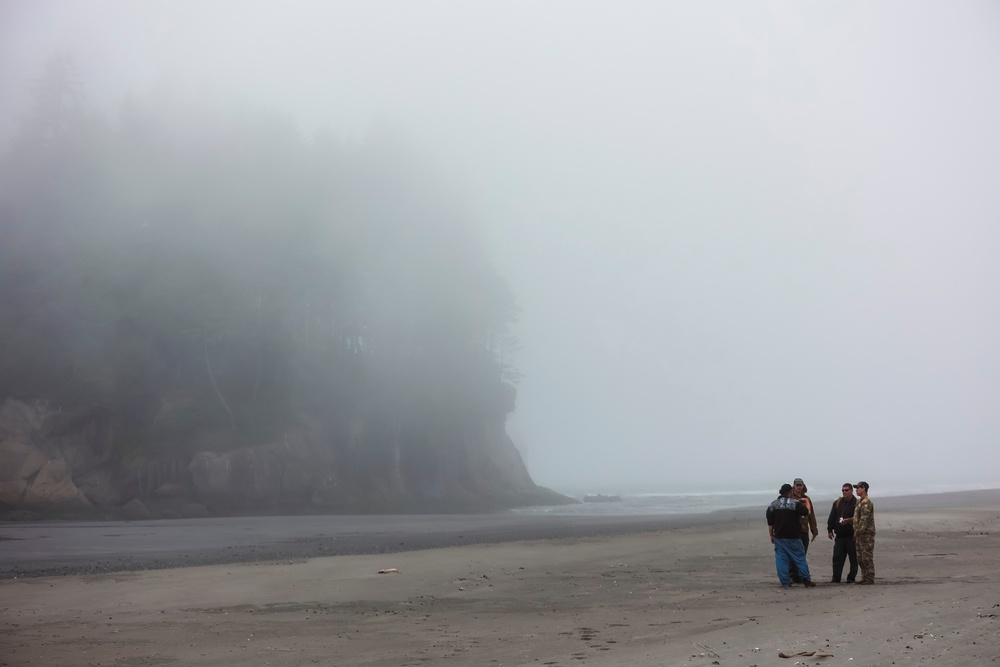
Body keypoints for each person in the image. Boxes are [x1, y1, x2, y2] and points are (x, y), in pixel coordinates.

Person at [766, 483, 816, 589]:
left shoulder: (772, 505)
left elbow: (770, 524)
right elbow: (807, 512)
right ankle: (806, 579)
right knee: (800, 558)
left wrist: (771, 535)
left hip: (779, 536)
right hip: (794, 536)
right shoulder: (795, 504)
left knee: (781, 560)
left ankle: (785, 582)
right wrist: (807, 501)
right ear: (790, 492)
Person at [826, 483, 858, 583]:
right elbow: (832, 516)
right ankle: (836, 577)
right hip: (839, 536)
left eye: (846, 490)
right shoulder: (838, 502)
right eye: (843, 490)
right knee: (837, 558)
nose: (844, 492)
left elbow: (859, 519)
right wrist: (830, 529)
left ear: (851, 491)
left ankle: (851, 577)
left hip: (851, 536)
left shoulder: (857, 503)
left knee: (853, 559)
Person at [788, 478, 819, 583]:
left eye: (800, 485)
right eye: (797, 485)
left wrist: (814, 530)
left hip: (804, 530)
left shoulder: (806, 499)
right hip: (792, 530)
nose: (798, 487)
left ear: (803, 486)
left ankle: (800, 575)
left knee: (802, 553)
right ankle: (792, 575)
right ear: (793, 486)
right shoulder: (790, 498)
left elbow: (811, 515)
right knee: (793, 554)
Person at [853, 481, 875, 585]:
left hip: (866, 534)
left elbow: (864, 520)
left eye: (857, 488)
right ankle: (864, 577)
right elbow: (857, 517)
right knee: (860, 557)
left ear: (864, 488)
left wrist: (858, 532)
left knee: (866, 556)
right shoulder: (859, 502)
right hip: (860, 534)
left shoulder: (867, 502)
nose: (856, 490)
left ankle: (869, 578)